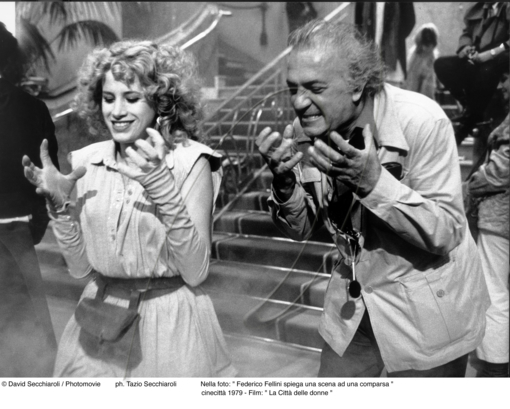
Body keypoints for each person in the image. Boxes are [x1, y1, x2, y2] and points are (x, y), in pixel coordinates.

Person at [256, 20, 490, 377]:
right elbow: (302, 229)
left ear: (356, 86)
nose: (299, 103)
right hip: (356, 305)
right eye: (293, 88)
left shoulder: (423, 121)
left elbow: (447, 233)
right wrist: (286, 185)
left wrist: (374, 185)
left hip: (427, 313)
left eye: (315, 88)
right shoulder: (309, 129)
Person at [22, 40, 236, 377]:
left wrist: (161, 185)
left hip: (167, 329)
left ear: (160, 101)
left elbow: (196, 272)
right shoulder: (87, 161)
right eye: (109, 98)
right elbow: (80, 269)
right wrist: (60, 208)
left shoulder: (190, 161)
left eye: (132, 98)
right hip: (98, 323)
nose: (117, 111)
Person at [0, 22, 59, 376]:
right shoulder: (32, 107)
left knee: (24, 351)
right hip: (18, 233)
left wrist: (27, 227)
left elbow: (47, 177)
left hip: (13, 236)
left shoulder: (30, 109)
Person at [466, 76, 509, 377]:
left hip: (500, 218)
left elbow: (499, 172)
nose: (501, 86)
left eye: (506, 79)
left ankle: (494, 368)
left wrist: (469, 184)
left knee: (494, 295)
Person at [434, 2, 509, 145]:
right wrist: (466, 47)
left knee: (487, 71)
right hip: (479, 56)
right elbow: (467, 33)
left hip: (501, 57)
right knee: (442, 64)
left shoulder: (507, 7)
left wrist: (491, 54)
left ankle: (467, 124)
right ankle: (471, 110)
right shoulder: (479, 8)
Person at [405, 23, 439, 100]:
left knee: (427, 88)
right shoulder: (415, 55)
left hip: (428, 63)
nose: (428, 37)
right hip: (417, 63)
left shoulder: (432, 57)